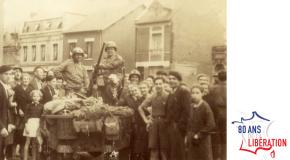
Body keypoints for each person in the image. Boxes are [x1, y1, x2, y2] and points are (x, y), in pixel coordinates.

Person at [139, 77, 169, 160]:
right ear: (154, 85)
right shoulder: (152, 96)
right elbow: (140, 108)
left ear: (164, 84)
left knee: (164, 149)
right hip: (154, 123)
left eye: (160, 84)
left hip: (165, 123)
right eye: (156, 84)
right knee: (153, 148)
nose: (158, 86)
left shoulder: (168, 96)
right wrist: (146, 120)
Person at [166, 71, 191, 160]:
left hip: (178, 128)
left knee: (179, 153)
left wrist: (180, 126)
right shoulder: (171, 93)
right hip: (171, 127)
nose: (171, 81)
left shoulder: (184, 92)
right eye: (170, 79)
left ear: (179, 80)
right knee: (172, 152)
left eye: (174, 79)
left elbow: (187, 111)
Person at [185, 85, 215, 160]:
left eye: (197, 93)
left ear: (202, 94)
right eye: (193, 93)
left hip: (202, 140)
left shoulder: (205, 106)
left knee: (203, 157)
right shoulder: (191, 106)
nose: (194, 95)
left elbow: (211, 124)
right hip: (192, 139)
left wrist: (199, 135)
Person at [207, 70, 227, 160]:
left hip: (217, 114)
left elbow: (211, 101)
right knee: (225, 138)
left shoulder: (212, 88)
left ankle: (216, 157)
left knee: (216, 137)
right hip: (227, 114)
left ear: (218, 78)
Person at [13, 73, 33, 159]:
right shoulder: (17, 88)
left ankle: (23, 154)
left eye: (27, 79)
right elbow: (14, 100)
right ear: (21, 80)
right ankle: (14, 153)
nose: (25, 80)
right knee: (18, 131)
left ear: (29, 80)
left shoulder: (31, 89)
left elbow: (33, 101)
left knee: (26, 132)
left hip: (28, 113)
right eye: (24, 79)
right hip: (19, 113)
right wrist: (19, 109)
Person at [23, 90, 44, 160]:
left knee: (35, 142)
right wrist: (26, 126)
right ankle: (25, 158)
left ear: (40, 97)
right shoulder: (28, 106)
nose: (36, 98)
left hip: (37, 124)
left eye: (37, 96)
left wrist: (40, 126)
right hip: (30, 124)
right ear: (32, 97)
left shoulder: (42, 106)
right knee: (27, 142)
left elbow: (42, 117)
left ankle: (34, 158)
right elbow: (25, 116)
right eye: (34, 96)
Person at [0, 65, 15, 160]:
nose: (9, 76)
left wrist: (9, 123)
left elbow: (6, 109)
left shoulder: (4, 87)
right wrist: (1, 127)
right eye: (6, 74)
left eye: (10, 74)